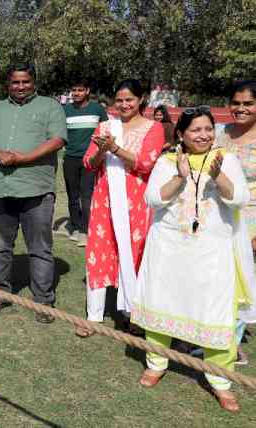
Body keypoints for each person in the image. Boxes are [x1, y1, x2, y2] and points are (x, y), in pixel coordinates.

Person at [132, 107, 256, 413]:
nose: (203, 135)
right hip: (170, 246)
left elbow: (240, 198)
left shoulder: (224, 158)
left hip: (212, 251)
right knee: (162, 301)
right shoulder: (167, 160)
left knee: (216, 312)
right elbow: (153, 199)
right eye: (195, 130)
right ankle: (156, 362)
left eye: (208, 129)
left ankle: (221, 382)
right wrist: (180, 177)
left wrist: (218, 176)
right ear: (181, 135)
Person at [0, 64, 67, 323]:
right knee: (0, 247)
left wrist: (23, 158)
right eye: (15, 82)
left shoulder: (50, 106)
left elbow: (57, 140)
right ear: (8, 84)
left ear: (33, 82)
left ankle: (43, 302)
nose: (20, 86)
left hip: (36, 189)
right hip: (0, 188)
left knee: (39, 248)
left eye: (25, 81)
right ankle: (0, 293)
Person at [75, 79, 165, 337]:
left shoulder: (153, 128)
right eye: (119, 100)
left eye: (130, 100)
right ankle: (93, 316)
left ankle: (132, 313)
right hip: (104, 199)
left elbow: (146, 164)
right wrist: (102, 152)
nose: (124, 105)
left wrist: (114, 148)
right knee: (99, 251)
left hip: (137, 201)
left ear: (141, 100)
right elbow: (89, 163)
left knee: (135, 253)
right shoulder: (105, 126)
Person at [215, 80, 256, 366]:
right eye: (236, 103)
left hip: (250, 219)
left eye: (248, 104)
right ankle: (210, 332)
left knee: (244, 282)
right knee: (218, 276)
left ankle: (233, 341)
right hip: (217, 214)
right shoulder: (219, 133)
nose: (240, 109)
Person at [59, 79, 108, 247]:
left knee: (86, 195)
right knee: (73, 195)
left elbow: (105, 131)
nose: (76, 93)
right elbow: (60, 133)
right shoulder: (65, 110)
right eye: (74, 90)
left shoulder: (97, 109)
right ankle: (75, 225)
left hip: (91, 159)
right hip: (70, 158)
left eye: (80, 90)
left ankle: (86, 231)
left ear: (87, 91)